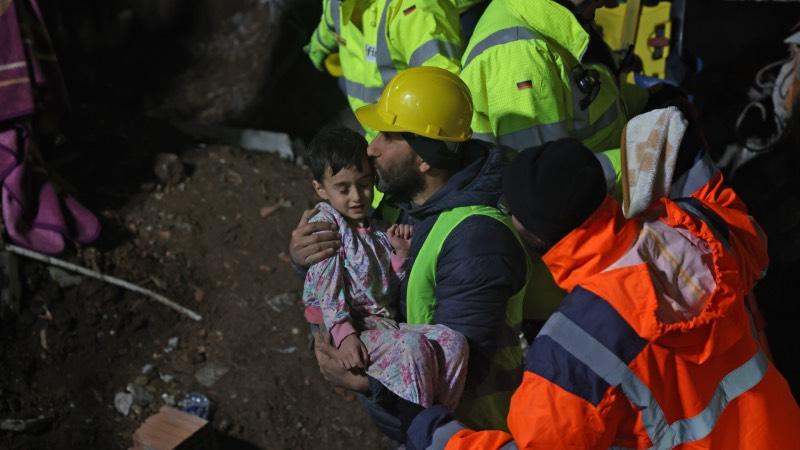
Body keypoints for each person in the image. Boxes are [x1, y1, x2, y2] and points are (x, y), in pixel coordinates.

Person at [405, 121, 800, 449]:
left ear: (538, 236)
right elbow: (748, 237)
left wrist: (441, 437)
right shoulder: (696, 230)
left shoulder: (574, 342)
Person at [292, 67, 530, 440]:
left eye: (388, 136)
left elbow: (464, 369)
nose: (371, 147)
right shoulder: (400, 201)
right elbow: (355, 275)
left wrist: (369, 384)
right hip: (418, 424)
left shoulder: (476, 240)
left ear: (424, 158)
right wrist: (307, 257)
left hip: (464, 434)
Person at [302, 125, 468, 414]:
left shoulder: (377, 229)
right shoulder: (326, 222)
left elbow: (384, 290)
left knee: (453, 343)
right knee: (413, 348)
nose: (357, 197)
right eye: (343, 188)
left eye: (364, 184)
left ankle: (442, 423)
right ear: (320, 189)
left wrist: (399, 258)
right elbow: (327, 286)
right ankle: (424, 427)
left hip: (381, 325)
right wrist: (345, 335)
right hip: (346, 326)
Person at [458, 0, 646, 151]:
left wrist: (647, 97)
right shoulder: (520, 56)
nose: (607, 3)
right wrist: (638, 160)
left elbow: (582, 101)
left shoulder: (543, 24)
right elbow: (548, 182)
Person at [304, 0, 464, 141]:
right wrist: (315, 53)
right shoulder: (337, 3)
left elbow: (445, 95)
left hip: (405, 142)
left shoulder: (415, 8)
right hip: (376, 135)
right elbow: (327, 27)